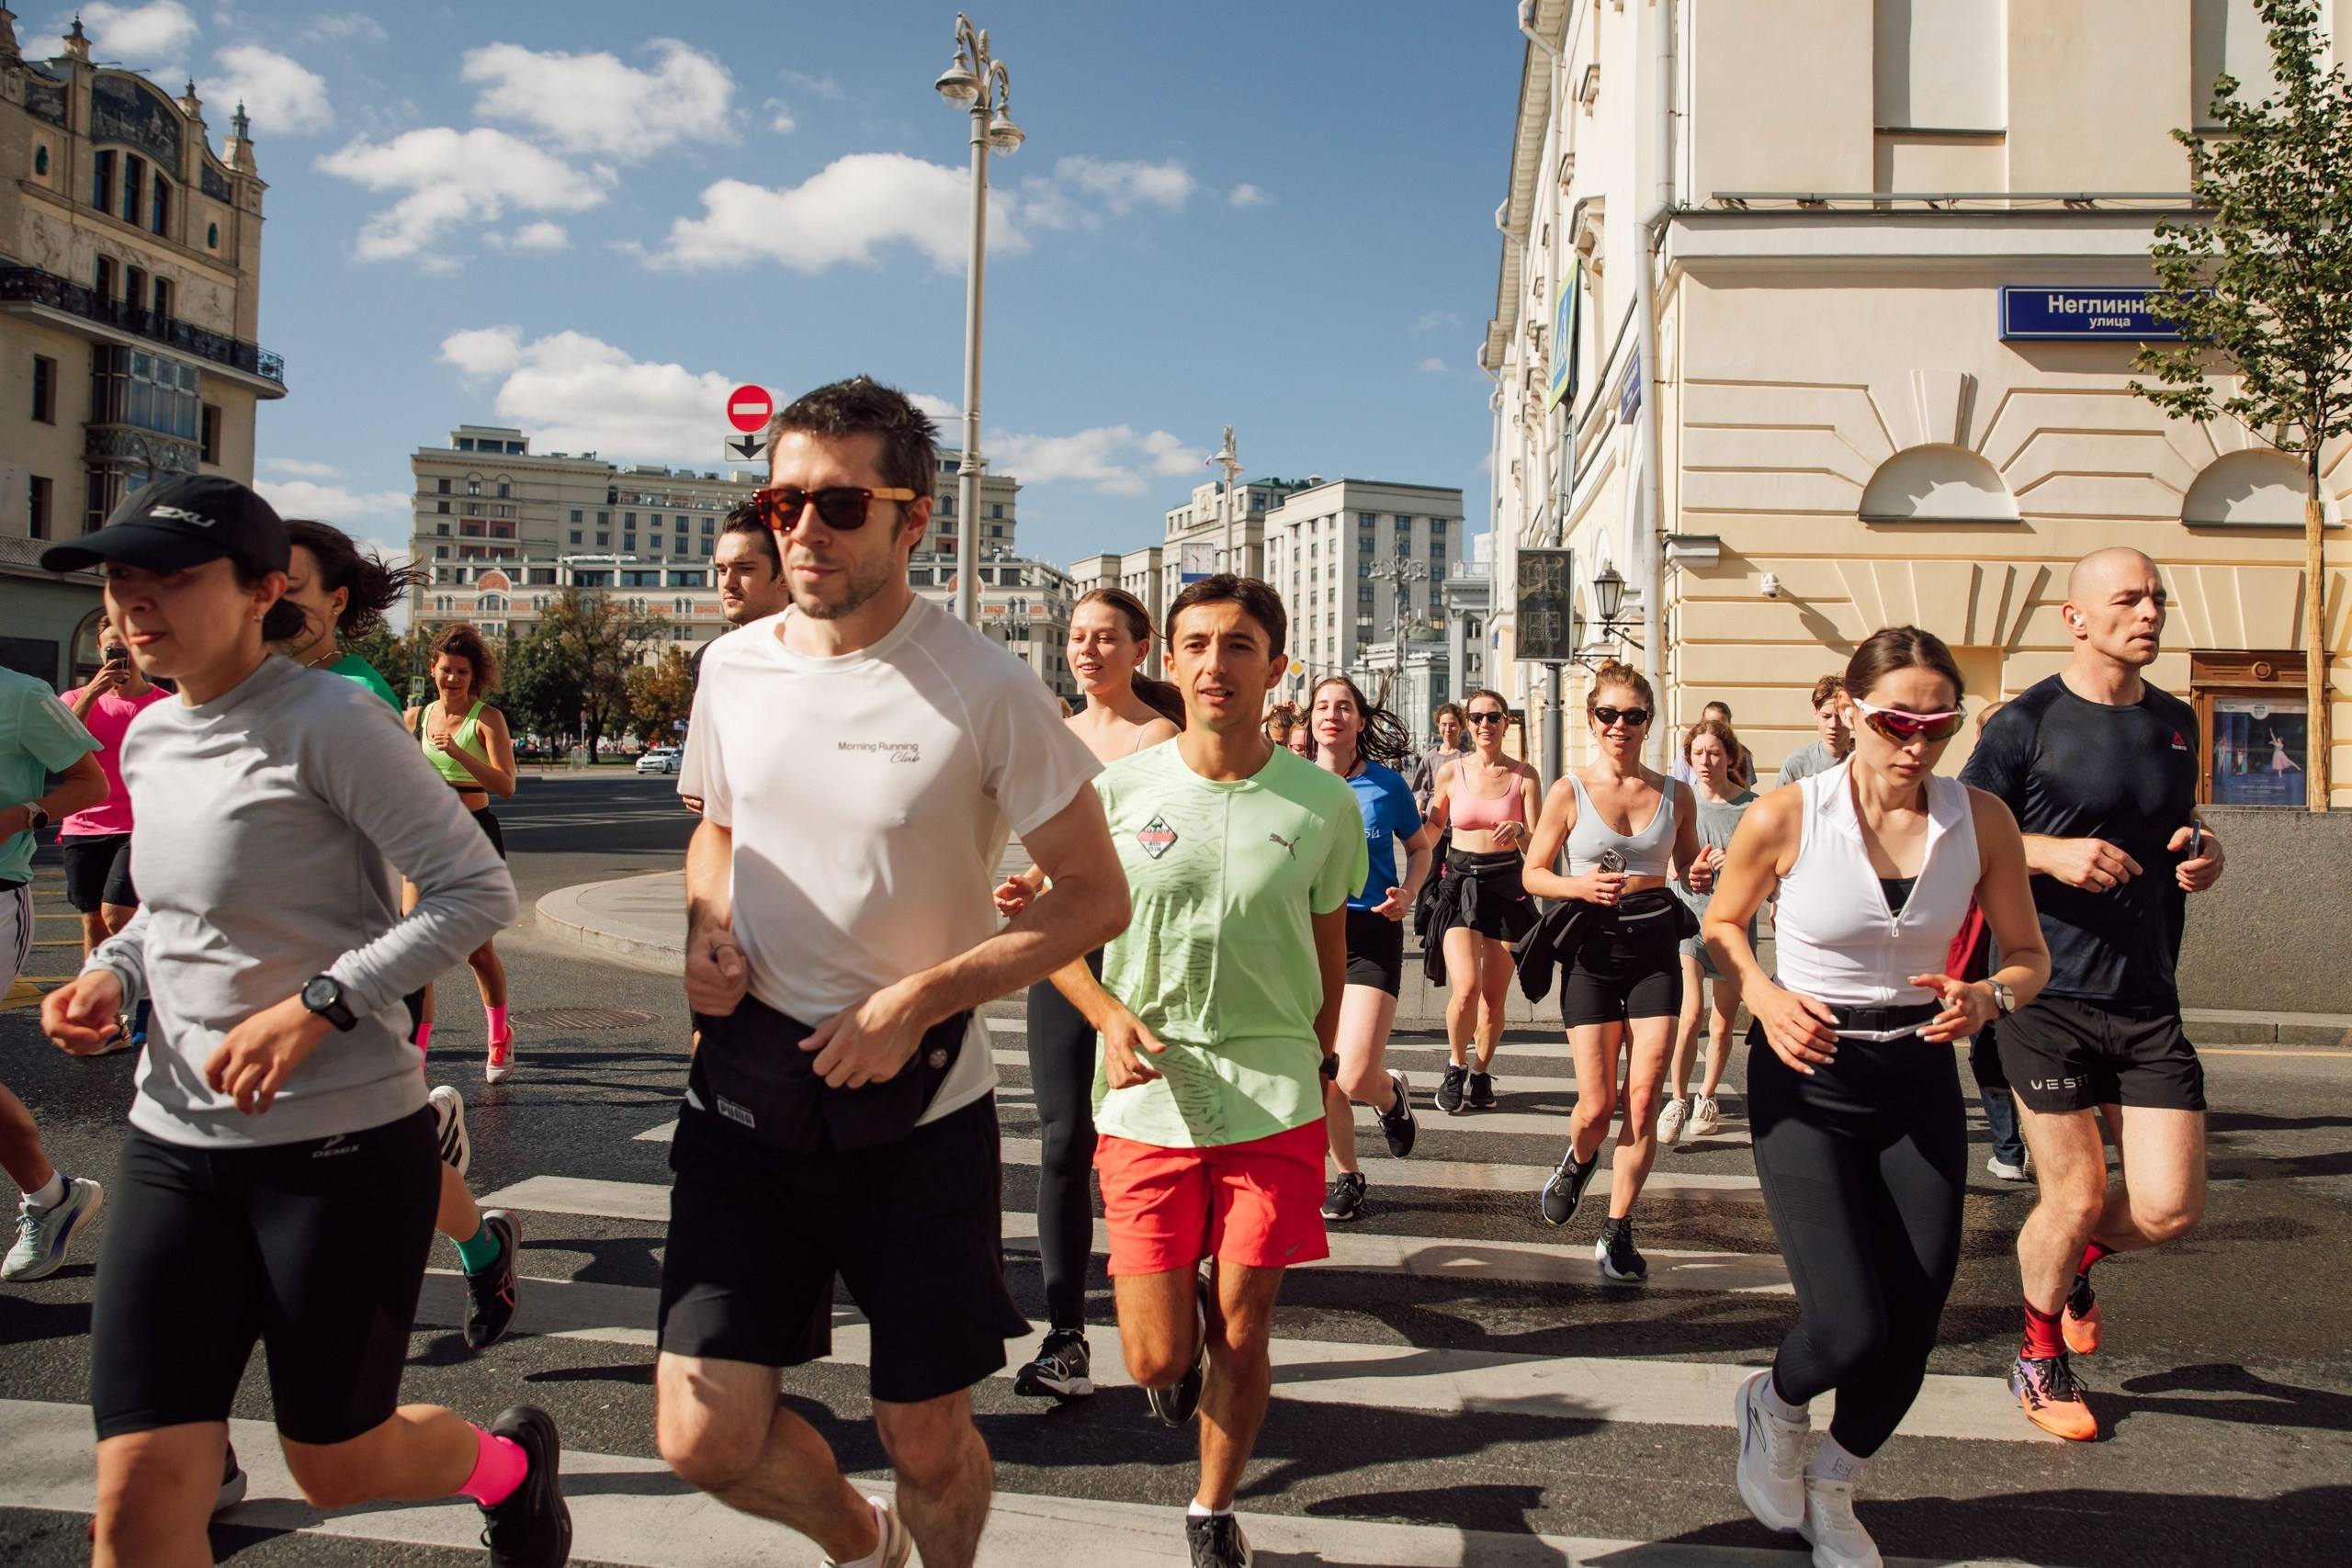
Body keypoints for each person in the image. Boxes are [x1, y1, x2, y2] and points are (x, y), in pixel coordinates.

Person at [34, 475, 568, 1568]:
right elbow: (174, 919)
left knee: (339, 1462)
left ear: (262, 590)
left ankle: (508, 1472)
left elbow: (476, 894)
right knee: (137, 1503)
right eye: (118, 576)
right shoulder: (151, 737)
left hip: (333, 1149)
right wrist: (115, 978)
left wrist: (318, 1006)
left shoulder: (332, 720)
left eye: (167, 577)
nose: (132, 601)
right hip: (173, 1144)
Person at [657, 377, 1126, 1568]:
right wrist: (706, 922)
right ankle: (858, 1542)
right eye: (782, 501)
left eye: (838, 504)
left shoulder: (988, 686)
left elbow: (1093, 893)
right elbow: (714, 824)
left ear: (915, 519)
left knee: (925, 1436)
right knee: (703, 1435)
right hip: (748, 1093)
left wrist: (919, 996)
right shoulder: (735, 668)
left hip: (919, 1114)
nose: (801, 529)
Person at [1705, 626, 2048, 1568]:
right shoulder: (1784, 814)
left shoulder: (1978, 819)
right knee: (1849, 1323)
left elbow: (2028, 957)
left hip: (1915, 1074)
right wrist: (1767, 998)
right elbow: (1721, 927)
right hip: (1806, 1075)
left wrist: (1988, 996)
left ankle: (1834, 1484)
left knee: (1914, 1321)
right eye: (1898, 720)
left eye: (1939, 724)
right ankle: (1771, 1403)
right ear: (1850, 712)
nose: (1917, 742)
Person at [1046, 574, 1363, 1568]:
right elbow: (1050, 931)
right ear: (1167, 662)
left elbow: (1330, 955)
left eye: (1238, 645)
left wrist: (1317, 1061)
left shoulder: (1320, 803)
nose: (1215, 664)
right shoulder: (1118, 792)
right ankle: (1169, 1359)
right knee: (1154, 1354)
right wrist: (1103, 1014)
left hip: (1270, 1095)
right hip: (1147, 1099)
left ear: (1275, 665)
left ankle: (1212, 1508)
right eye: (1196, 644)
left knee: (1247, 1315)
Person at [1958, 547, 2224, 1443]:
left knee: (2170, 1210)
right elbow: (1954, 837)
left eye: (2156, 598)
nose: (2148, 612)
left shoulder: (2178, 723)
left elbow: (2168, 825)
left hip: (2146, 996)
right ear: (2075, 618)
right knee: (2069, 1194)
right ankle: (2037, 1354)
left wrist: (2202, 852)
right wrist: (2044, 852)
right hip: (2044, 991)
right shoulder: (2024, 725)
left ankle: (2069, 1265)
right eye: (2126, 600)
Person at [278, 519, 522, 1351]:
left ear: (333, 600)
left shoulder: (357, 696)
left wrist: (348, 983)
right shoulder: (207, 701)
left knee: (469, 954)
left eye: (287, 584)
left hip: (423, 869)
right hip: (250, 985)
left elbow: (476, 856)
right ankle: (423, 1119)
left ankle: (465, 1211)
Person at [992, 587, 1181, 1404]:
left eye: (1106, 637)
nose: (1087, 650)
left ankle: (1178, 1321)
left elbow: (1143, 851)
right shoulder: (1056, 734)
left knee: (1151, 1142)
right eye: (1077, 637)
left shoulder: (1158, 737)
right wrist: (1026, 883)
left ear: (1141, 648)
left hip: (1143, 954)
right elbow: (1063, 846)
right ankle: (1066, 1335)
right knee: (1064, 1136)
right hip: (1068, 957)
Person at [1520, 662, 1713, 1280]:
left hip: (1656, 946)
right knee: (1597, 1107)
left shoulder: (1675, 794)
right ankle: (1578, 1162)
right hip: (1593, 953)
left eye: (1633, 715)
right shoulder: (1568, 790)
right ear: (1592, 719)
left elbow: (1685, 867)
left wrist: (1699, 875)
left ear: (1648, 722)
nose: (1620, 726)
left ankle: (1618, 1230)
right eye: (1609, 714)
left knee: (1645, 1094)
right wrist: (1576, 884)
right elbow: (1533, 871)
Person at [1310, 675, 1435, 1223]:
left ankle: (1389, 1097)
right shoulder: (1288, 781)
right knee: (1324, 1069)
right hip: (1310, 935)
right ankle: (1349, 1175)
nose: (1333, 715)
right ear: (1311, 720)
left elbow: (1420, 849)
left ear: (1361, 721)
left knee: (1355, 1074)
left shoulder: (1386, 786)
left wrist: (1408, 892)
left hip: (1370, 931)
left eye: (1344, 707)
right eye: (1323, 706)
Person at [1, 667, 107, 1283]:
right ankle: (50, 1196)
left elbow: (89, 781)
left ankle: (48, 1196)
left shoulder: (23, 696)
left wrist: (21, 815)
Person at [403, 626, 520, 1084]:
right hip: (424, 836)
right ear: (433, 669)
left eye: (462, 672)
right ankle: (416, 1057)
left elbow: (506, 785)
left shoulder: (487, 719)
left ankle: (498, 1037)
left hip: (473, 835)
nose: (452, 679)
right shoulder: (418, 716)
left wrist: (458, 752)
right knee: (416, 952)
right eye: (446, 670)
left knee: (477, 952)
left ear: (475, 676)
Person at [1421, 690, 1539, 1112]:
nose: (1484, 725)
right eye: (1477, 718)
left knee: (1493, 999)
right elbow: (1434, 827)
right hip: (1461, 883)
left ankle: (1482, 1070)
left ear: (1506, 722)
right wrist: (1409, 869)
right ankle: (1456, 1064)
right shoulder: (1451, 773)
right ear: (1468, 724)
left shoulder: (1525, 776)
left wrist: (1521, 831)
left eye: (1493, 717)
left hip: (1506, 886)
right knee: (1466, 987)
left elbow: (1538, 846)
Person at [1658, 717, 1756, 1147]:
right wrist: (1686, 870)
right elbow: (1663, 864)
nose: (1705, 760)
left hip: (1735, 927)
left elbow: (1766, 870)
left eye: (1714, 752)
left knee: (1722, 1023)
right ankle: (1677, 1099)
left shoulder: (1752, 807)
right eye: (1697, 753)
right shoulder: (1681, 800)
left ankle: (1707, 1095)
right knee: (1690, 1014)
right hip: (1689, 924)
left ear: (1730, 757)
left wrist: (1732, 864)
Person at [59, 615, 172, 979]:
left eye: (128, 644)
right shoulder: (76, 699)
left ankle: (134, 988)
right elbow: (62, 749)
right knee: (93, 920)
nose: (121, 652)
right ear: (100, 648)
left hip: (141, 825)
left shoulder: (165, 704)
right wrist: (93, 692)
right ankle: (103, 1010)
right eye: (113, 645)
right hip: (85, 823)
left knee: (114, 913)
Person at [1954, 700, 2030, 1184]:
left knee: (2023, 1044)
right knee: (1988, 1044)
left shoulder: (2039, 781)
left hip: (2024, 934)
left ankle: (2023, 1147)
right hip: (1978, 934)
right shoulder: (1969, 793)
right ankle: (2008, 1149)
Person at [681, 503, 795, 815]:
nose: (728, 583)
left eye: (745, 569)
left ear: (784, 575)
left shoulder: (825, 652)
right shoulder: (710, 660)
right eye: (721, 570)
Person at [1776, 677, 1852, 787]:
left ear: (1851, 716)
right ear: (1815, 714)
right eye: (1826, 717)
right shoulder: (1797, 765)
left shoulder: (1867, 760)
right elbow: (1780, 803)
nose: (1833, 725)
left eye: (1839, 717)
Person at [1671, 700, 1757, 792]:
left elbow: (1746, 788)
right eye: (1698, 753)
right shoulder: (1687, 752)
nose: (1704, 761)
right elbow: (1678, 787)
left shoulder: (1742, 753)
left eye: (1715, 754)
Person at [1409, 702, 1470, 818]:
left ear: (1461, 727)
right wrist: (1418, 811)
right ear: (1438, 726)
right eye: (1444, 724)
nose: (1448, 729)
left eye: (1452, 725)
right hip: (1432, 819)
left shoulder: (1469, 756)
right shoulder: (1430, 757)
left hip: (1460, 820)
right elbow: (1422, 790)